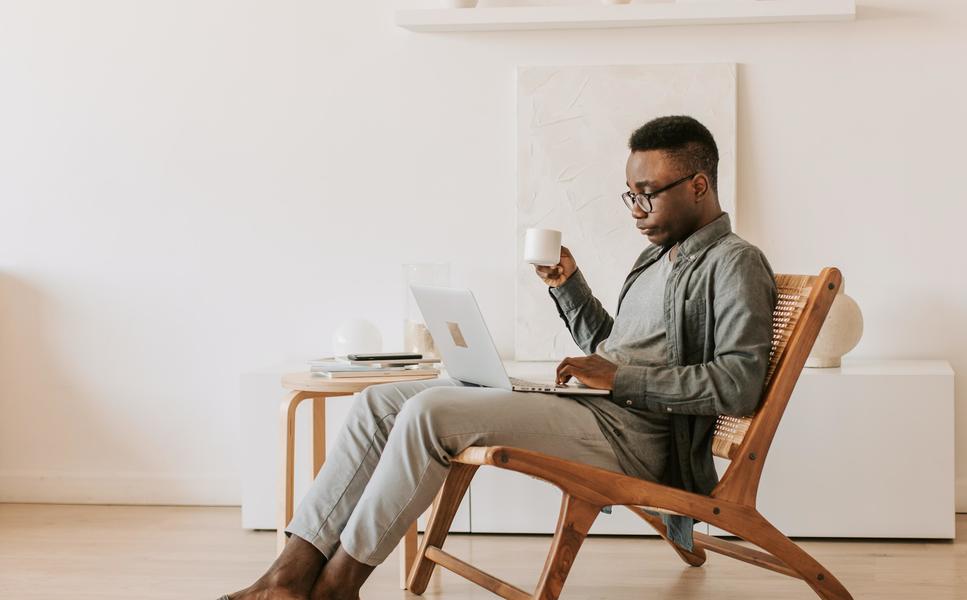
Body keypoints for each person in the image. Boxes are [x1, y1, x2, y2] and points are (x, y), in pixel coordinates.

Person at [220, 115, 776, 600]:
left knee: (430, 414)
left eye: (647, 193)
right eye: (629, 194)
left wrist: (620, 376)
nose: (635, 208)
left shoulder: (735, 264)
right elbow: (611, 350)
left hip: (636, 438)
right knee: (378, 402)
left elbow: (739, 384)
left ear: (699, 185)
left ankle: (340, 585)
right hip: (596, 409)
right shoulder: (656, 259)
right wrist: (569, 287)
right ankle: (288, 576)